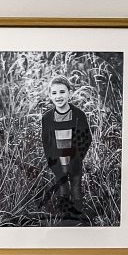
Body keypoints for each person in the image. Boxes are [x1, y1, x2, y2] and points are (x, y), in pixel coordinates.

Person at [41, 76, 92, 217]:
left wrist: (78, 157)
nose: (59, 96)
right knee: (63, 189)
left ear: (69, 93)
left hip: (75, 162)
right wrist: (51, 161)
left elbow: (87, 139)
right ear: (50, 95)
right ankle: (65, 218)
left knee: (76, 189)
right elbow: (46, 142)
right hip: (58, 163)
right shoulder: (47, 118)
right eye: (54, 93)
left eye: (62, 92)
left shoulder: (78, 115)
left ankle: (78, 218)